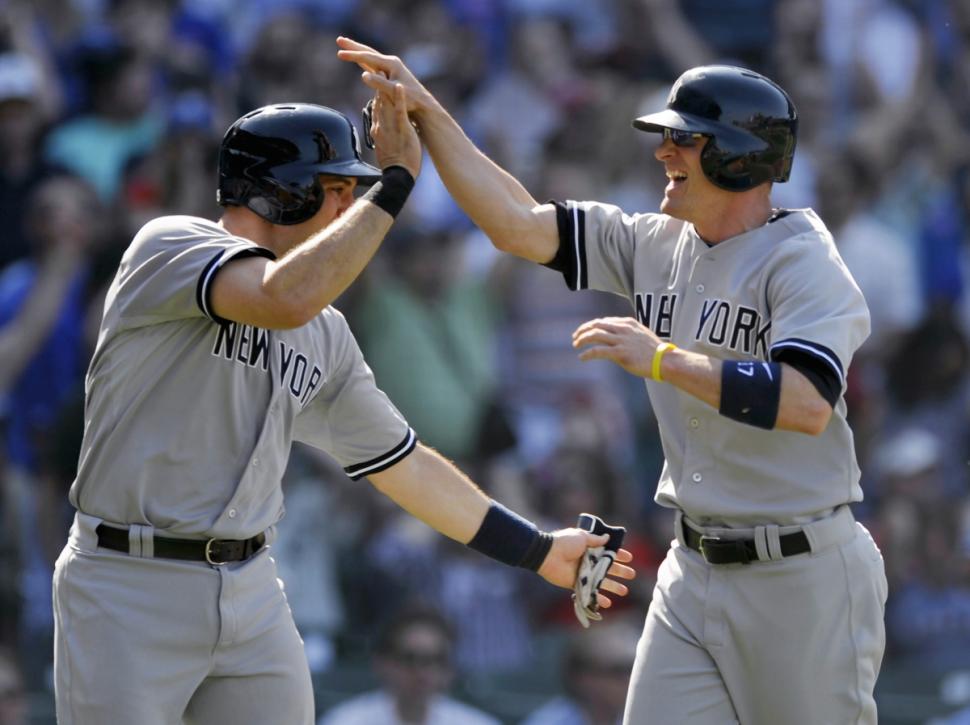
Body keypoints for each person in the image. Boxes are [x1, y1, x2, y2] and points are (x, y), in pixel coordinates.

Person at [337, 38, 888, 725]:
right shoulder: (653, 240)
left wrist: (662, 359)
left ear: (739, 156)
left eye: (684, 140)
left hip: (799, 571)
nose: (664, 152)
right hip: (693, 566)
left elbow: (805, 403)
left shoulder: (804, 261)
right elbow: (515, 223)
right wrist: (428, 114)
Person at [51, 89, 634, 725]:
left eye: (354, 188)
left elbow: (405, 466)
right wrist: (396, 184)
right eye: (333, 187)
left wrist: (537, 548)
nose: (348, 204)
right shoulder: (169, 247)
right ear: (278, 190)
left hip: (251, 586)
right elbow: (281, 297)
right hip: (128, 580)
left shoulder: (324, 332)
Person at [318, 605, 499, 725]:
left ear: (449, 670)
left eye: (434, 660)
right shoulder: (346, 721)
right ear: (382, 663)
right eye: (409, 658)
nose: (421, 672)